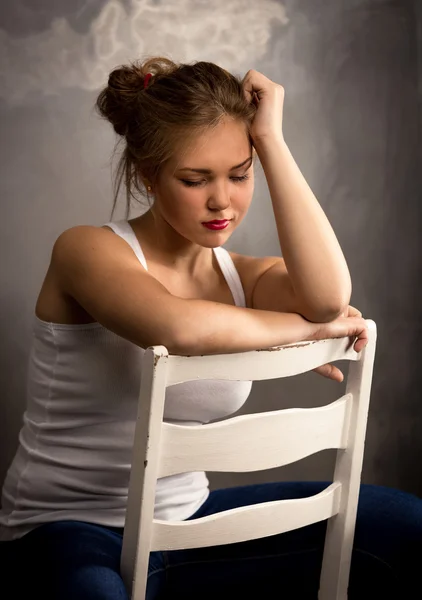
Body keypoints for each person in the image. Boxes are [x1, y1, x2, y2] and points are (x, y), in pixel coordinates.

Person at [0, 56, 420, 600]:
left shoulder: (245, 276)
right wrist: (300, 333)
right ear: (149, 176)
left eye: (240, 174)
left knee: (403, 525)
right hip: (67, 530)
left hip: (187, 524)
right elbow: (180, 329)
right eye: (196, 180)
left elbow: (328, 298)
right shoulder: (86, 250)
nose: (222, 201)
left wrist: (270, 140)